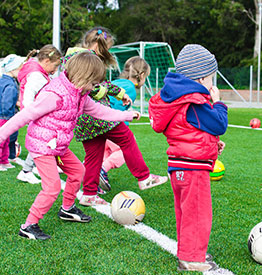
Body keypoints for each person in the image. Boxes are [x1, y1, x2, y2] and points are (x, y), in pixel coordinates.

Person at [0, 52, 141, 240]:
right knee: (51, 187)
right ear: (83, 77)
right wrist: (2, 135)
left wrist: (126, 115)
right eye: (93, 83)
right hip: (42, 146)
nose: (95, 87)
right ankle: (28, 225)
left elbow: (100, 111)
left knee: (78, 172)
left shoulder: (80, 94)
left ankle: (67, 208)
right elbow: (25, 115)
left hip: (58, 145)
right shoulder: (54, 95)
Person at [63, 27, 167, 206]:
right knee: (126, 138)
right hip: (96, 115)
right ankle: (144, 177)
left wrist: (120, 94)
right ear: (99, 45)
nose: (107, 52)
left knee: (94, 155)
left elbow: (102, 83)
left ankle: (89, 194)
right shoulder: (85, 59)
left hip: (83, 119)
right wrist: (107, 95)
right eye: (107, 48)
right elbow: (91, 87)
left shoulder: (74, 56)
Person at [148, 44, 228, 272]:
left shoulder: (177, 99)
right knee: (198, 213)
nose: (213, 84)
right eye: (211, 78)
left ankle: (189, 250)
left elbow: (188, 130)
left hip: (179, 165)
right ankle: (191, 258)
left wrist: (212, 144)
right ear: (201, 78)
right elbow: (219, 123)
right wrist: (218, 102)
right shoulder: (194, 102)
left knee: (186, 212)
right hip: (193, 169)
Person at [99, 56, 151, 192]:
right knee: (124, 150)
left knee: (104, 152)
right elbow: (115, 109)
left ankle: (91, 176)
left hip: (98, 123)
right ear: (142, 75)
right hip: (110, 124)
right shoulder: (131, 90)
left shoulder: (118, 82)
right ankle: (102, 170)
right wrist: (127, 116)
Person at [16, 44, 62, 184]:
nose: (55, 71)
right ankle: (26, 171)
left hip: (37, 114)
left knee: (44, 141)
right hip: (36, 115)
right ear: (46, 61)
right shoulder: (37, 75)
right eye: (55, 66)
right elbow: (29, 96)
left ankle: (34, 167)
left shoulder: (39, 72)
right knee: (41, 142)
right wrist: (32, 114)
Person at [0, 54, 24, 171]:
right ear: (13, 69)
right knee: (3, 140)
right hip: (5, 116)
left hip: (4, 115)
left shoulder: (3, 80)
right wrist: (8, 117)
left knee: (6, 139)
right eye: (20, 69)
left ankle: (4, 160)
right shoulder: (10, 85)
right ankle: (1, 161)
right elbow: (7, 102)